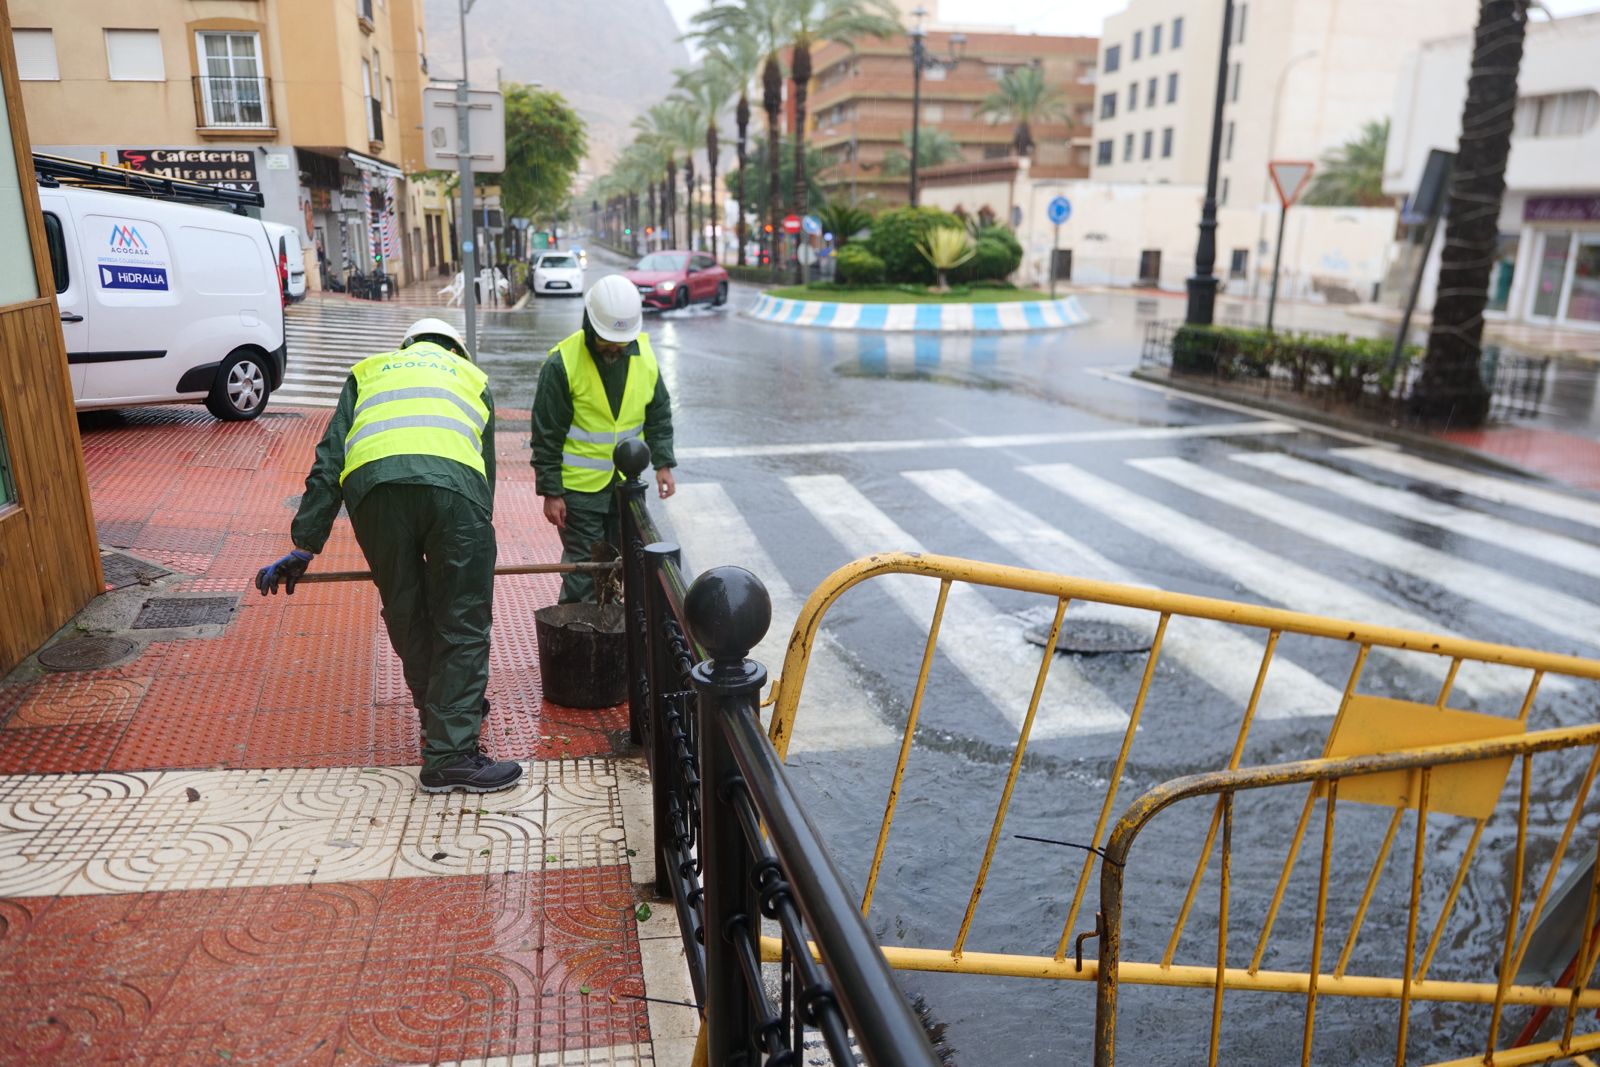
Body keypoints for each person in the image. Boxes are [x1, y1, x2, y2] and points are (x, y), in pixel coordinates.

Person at [254, 317, 522, 795]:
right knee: (462, 617)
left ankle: (440, 715)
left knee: (406, 610)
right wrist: (476, 533)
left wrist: (305, 544)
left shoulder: (370, 372)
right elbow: (484, 471)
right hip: (455, 492)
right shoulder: (471, 377)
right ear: (456, 350)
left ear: (407, 346)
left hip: (373, 491)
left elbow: (330, 459)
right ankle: (451, 754)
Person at [532, 274, 677, 604]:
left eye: (621, 341)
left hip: (627, 486)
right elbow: (546, 434)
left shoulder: (645, 357)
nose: (614, 347)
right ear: (589, 324)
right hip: (579, 493)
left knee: (622, 566)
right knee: (585, 572)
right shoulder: (562, 364)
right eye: (606, 339)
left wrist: (664, 464)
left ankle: (613, 629)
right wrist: (551, 491)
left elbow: (658, 414)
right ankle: (579, 632)